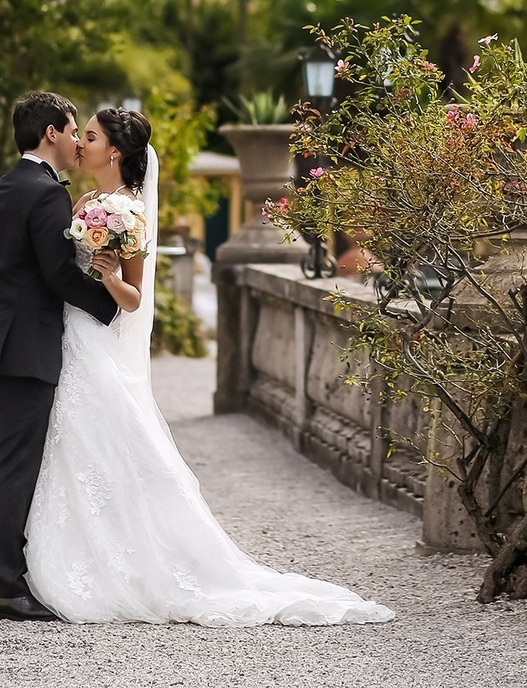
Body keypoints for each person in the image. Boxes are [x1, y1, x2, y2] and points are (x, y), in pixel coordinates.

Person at [23, 106, 393, 626]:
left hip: (95, 338)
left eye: (90, 136)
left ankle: (118, 564)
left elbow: (132, 299)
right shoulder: (84, 202)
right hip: (66, 333)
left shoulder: (129, 212)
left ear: (115, 152)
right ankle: (75, 551)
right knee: (76, 446)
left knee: (101, 442)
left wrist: (107, 274)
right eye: (79, 134)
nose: (81, 143)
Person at [0, 92, 117, 621]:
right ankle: (6, 587)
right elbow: (56, 274)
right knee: (14, 466)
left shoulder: (2, 187)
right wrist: (111, 305)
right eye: (73, 130)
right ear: (50, 132)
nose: (77, 140)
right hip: (28, 346)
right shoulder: (47, 193)